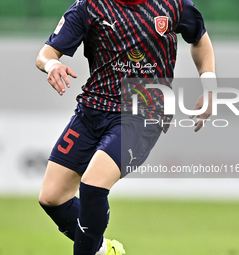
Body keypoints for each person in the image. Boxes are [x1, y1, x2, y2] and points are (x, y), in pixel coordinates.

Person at [36, 0, 216, 254]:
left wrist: (209, 84)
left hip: (143, 110)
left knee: (93, 185)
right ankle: (103, 250)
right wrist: (52, 65)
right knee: (52, 198)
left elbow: (199, 38)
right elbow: (46, 54)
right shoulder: (89, 7)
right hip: (92, 109)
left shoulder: (174, 5)